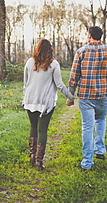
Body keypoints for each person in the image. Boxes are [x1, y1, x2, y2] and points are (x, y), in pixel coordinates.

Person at [67, 26, 107, 170]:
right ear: (100, 36)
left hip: (85, 95)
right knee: (101, 120)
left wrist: (70, 96)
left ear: (90, 35)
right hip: (103, 94)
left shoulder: (81, 52)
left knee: (87, 126)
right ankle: (100, 150)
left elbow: (74, 77)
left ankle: (87, 162)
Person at [23, 39, 75, 170]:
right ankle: (39, 162)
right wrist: (71, 96)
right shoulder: (54, 64)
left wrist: (26, 96)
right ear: (50, 49)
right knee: (42, 130)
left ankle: (32, 156)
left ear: (37, 48)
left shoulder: (30, 62)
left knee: (33, 126)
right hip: (45, 102)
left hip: (30, 100)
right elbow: (59, 85)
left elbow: (26, 82)